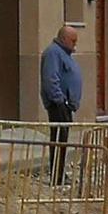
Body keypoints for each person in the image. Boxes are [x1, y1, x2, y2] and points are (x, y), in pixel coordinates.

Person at [40, 26, 82, 186]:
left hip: (65, 104)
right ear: (64, 38)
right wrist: (59, 101)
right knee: (58, 139)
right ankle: (56, 176)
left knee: (63, 140)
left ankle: (60, 173)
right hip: (58, 105)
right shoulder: (53, 53)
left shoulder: (64, 54)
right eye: (73, 40)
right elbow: (51, 78)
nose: (75, 44)